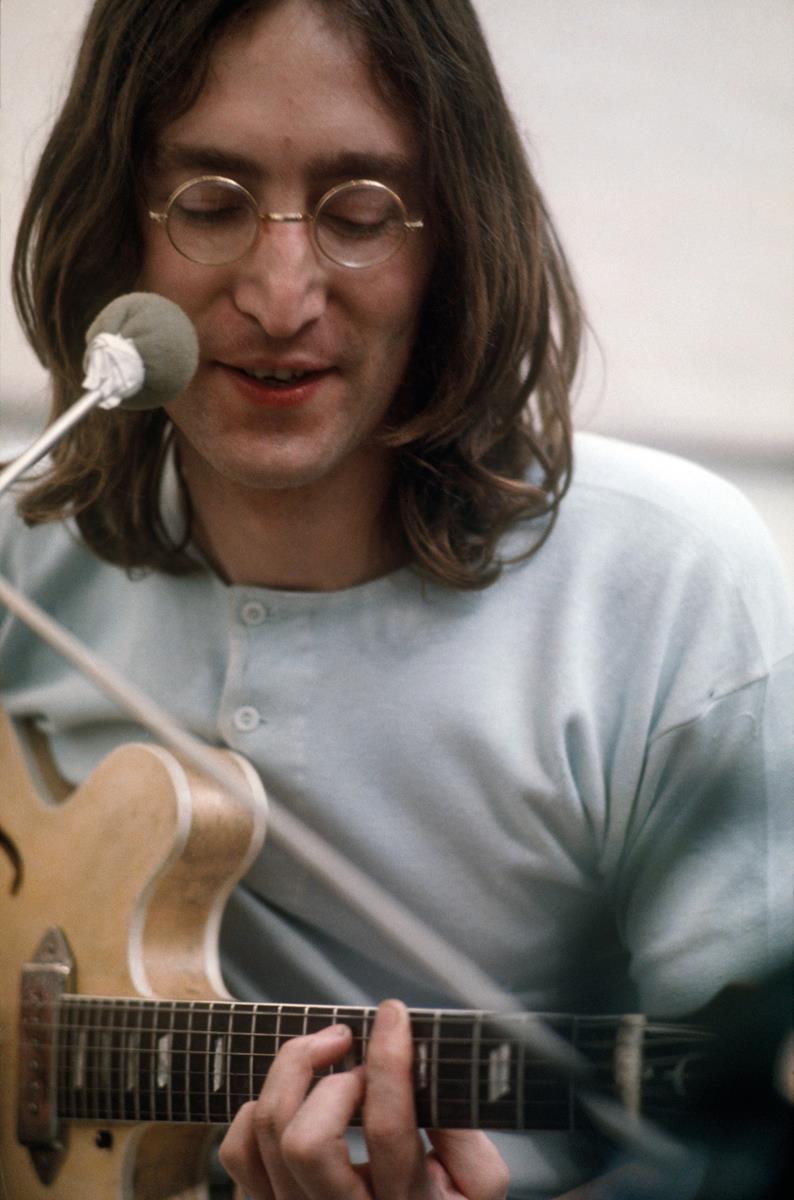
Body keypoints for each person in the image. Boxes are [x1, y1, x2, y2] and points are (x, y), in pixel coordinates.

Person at [1, 0, 791, 1197]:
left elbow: (750, 1157)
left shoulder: (669, 584)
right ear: (117, 229)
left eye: (359, 210)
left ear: (454, 236)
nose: (279, 293)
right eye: (209, 203)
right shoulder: (22, 563)